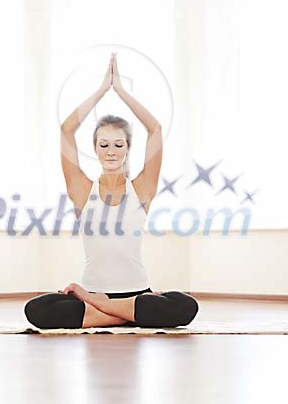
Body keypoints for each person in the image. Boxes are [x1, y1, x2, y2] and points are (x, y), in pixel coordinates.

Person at [24, 53, 199, 329]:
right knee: (36, 309)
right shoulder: (82, 189)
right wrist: (102, 90)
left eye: (119, 144)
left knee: (186, 305)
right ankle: (127, 316)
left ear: (128, 148)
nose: (111, 152)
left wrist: (121, 91)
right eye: (103, 145)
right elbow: (67, 130)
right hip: (98, 295)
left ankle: (105, 311)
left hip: (131, 294)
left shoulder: (141, 189)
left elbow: (155, 129)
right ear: (94, 148)